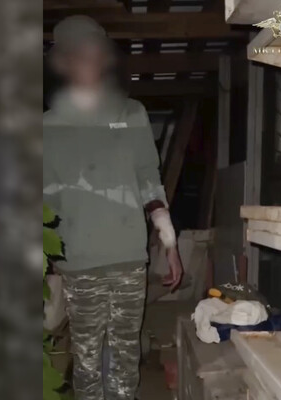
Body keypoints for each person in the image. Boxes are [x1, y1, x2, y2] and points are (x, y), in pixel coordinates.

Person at [43, 16, 183, 400]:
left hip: (128, 258)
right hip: (79, 263)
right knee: (87, 362)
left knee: (125, 358)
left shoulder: (131, 113)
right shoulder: (46, 127)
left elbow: (148, 177)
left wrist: (169, 243)